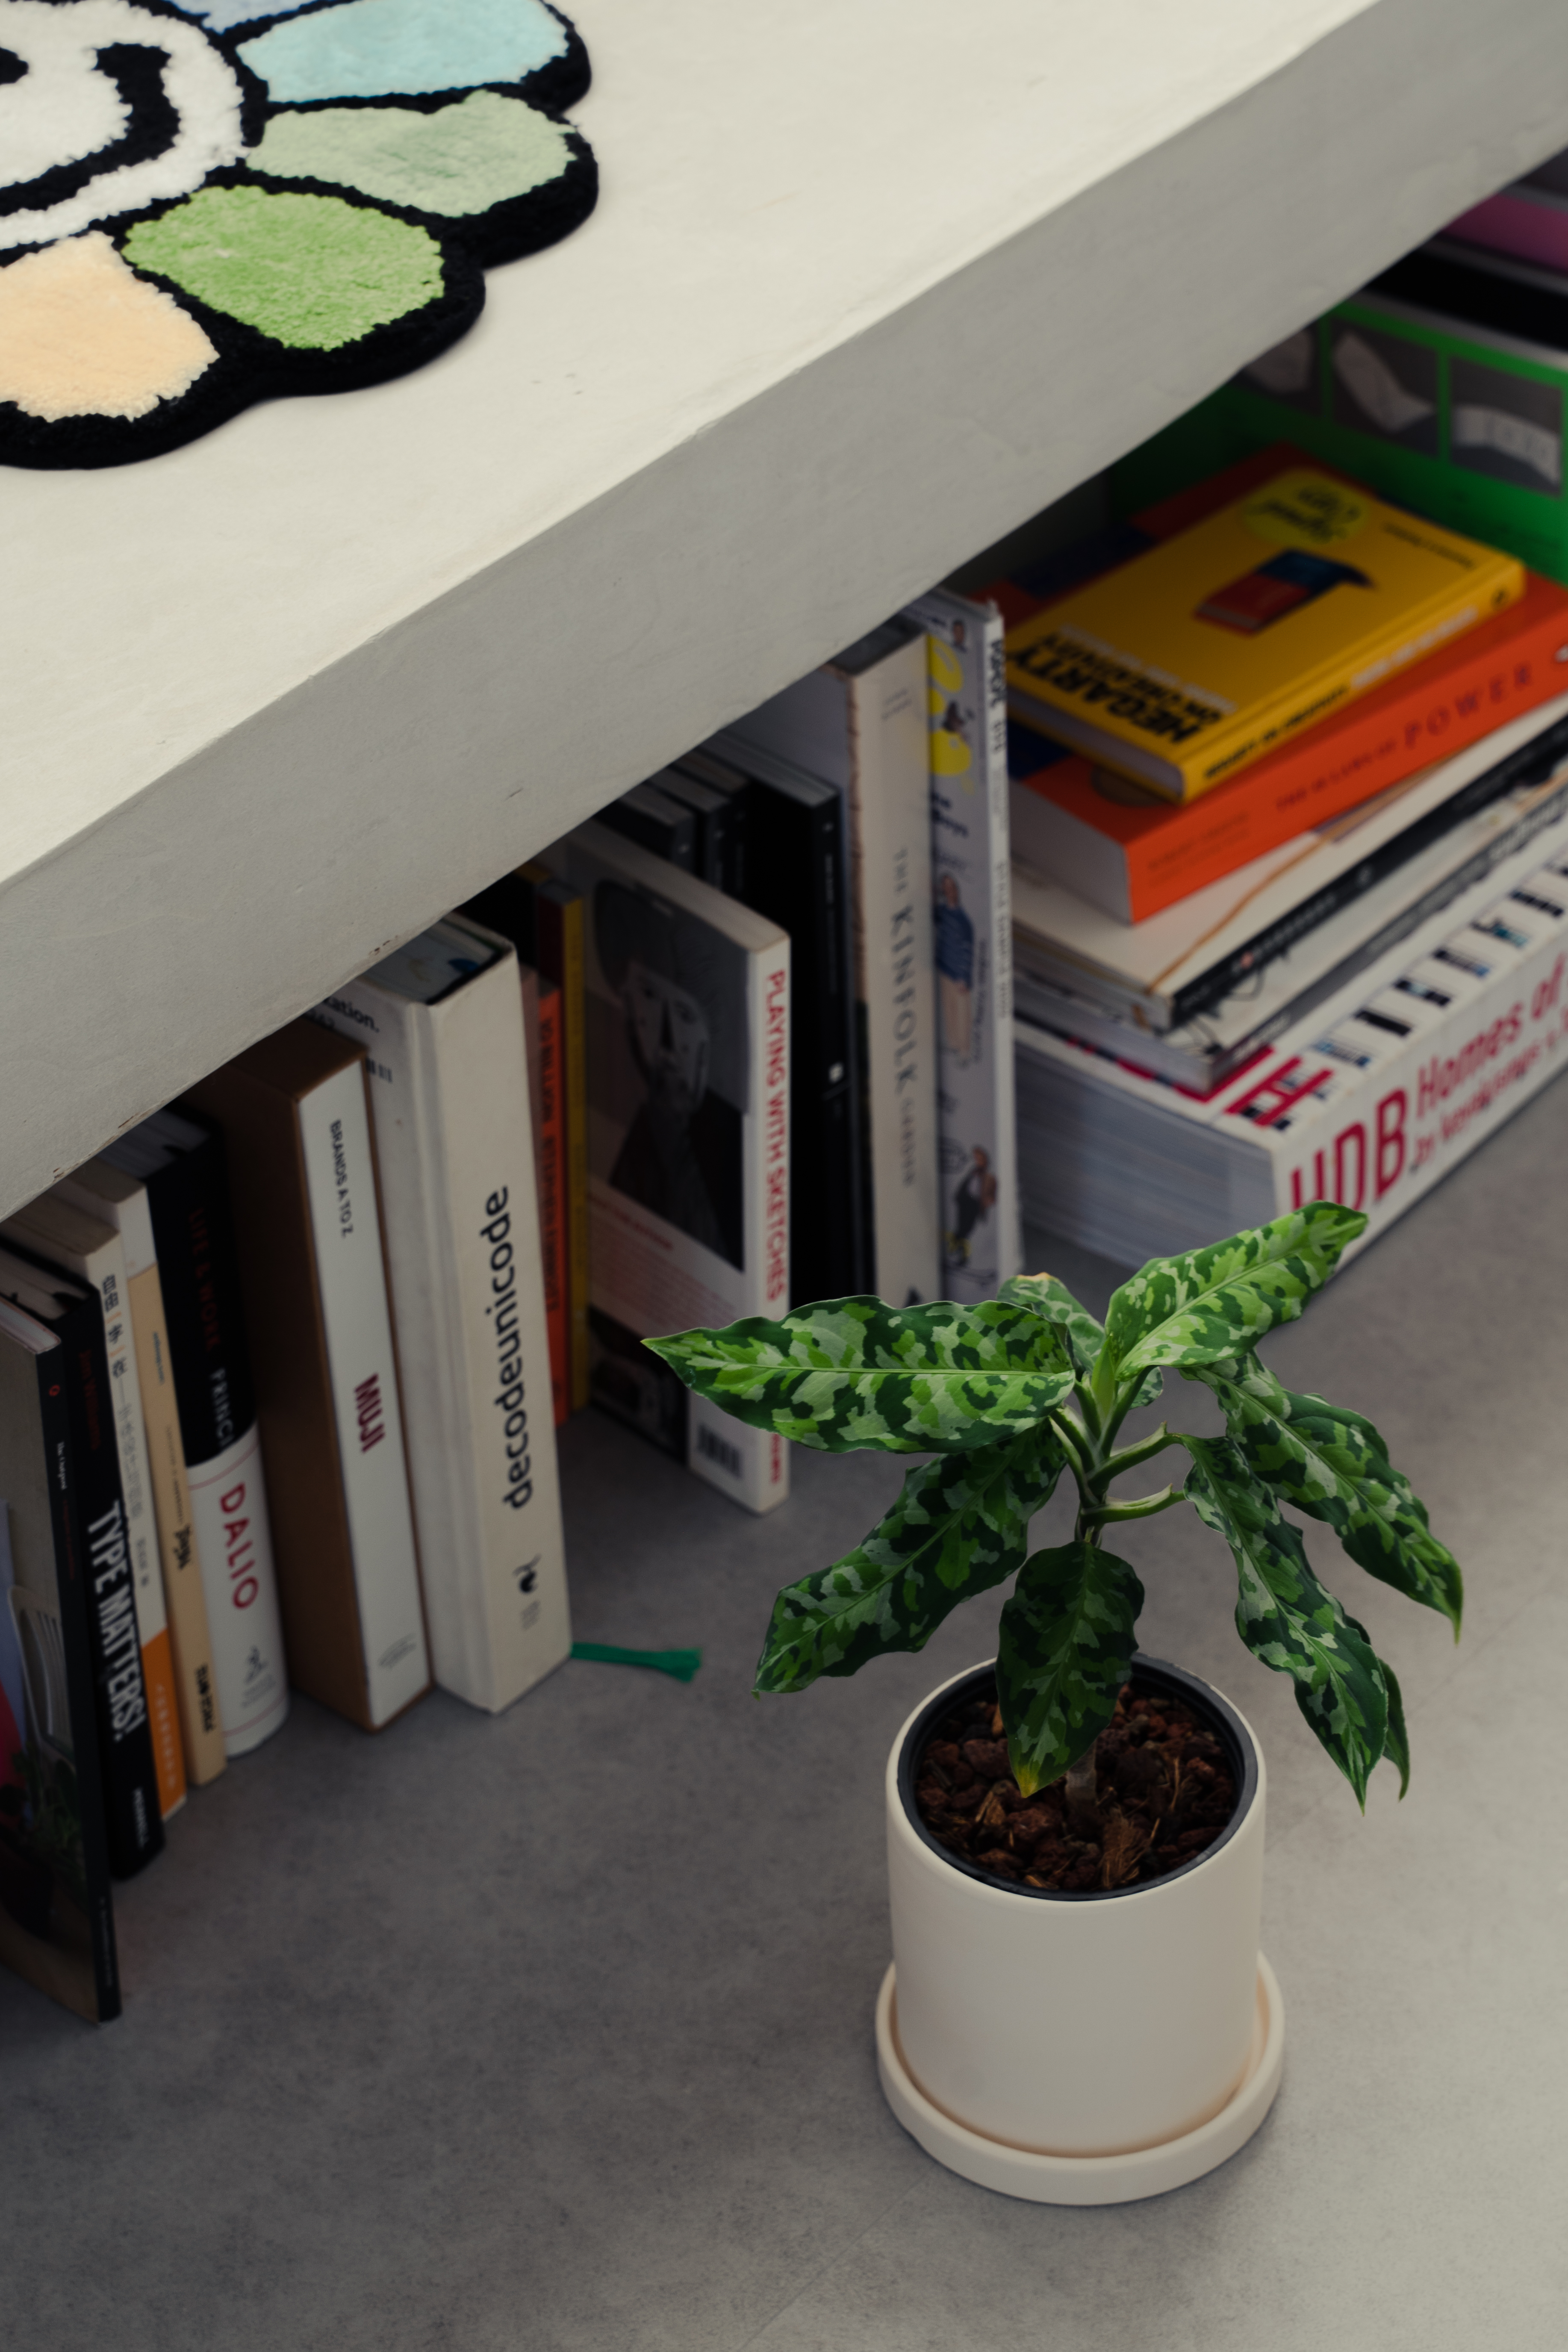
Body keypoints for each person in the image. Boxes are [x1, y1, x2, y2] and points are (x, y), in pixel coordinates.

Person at [593, 882, 744, 1267]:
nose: (664, 1042)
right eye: (647, 997)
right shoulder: (638, 1113)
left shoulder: (727, 1149)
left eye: (685, 1015)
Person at [934, 872, 975, 1062]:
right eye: (945, 886)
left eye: (952, 886)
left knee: (962, 1016)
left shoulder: (964, 920)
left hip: (959, 976)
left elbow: (968, 950)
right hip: (944, 969)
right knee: (949, 1012)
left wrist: (964, 977)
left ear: (957, 890)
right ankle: (953, 1048)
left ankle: (965, 1052)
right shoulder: (941, 912)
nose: (949, 890)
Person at [946, 1145, 996, 1267]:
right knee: (961, 1229)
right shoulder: (973, 1172)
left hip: (974, 1205)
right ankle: (955, 1252)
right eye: (976, 1159)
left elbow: (991, 1197)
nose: (977, 1161)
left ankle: (958, 1253)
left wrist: (985, 1202)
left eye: (979, 1159)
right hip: (965, 1202)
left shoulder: (989, 1178)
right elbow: (966, 1185)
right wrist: (959, 1197)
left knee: (965, 1231)